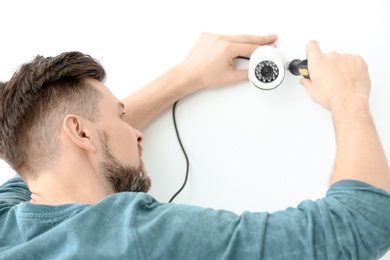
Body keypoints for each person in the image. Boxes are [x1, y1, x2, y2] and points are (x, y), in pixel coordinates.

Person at [0, 32, 389, 259]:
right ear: (81, 134)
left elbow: (45, 151)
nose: (137, 132)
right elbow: (363, 221)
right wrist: (350, 99)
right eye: (120, 117)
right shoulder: (130, 236)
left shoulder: (8, 222)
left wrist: (185, 77)